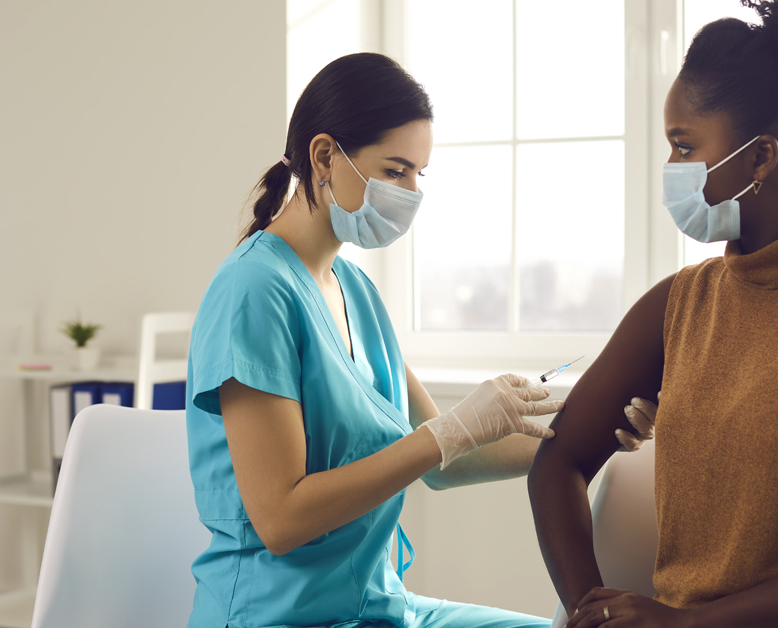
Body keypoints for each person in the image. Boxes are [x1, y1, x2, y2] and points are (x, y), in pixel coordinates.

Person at [185, 52, 648, 628]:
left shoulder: (354, 290)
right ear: (325, 156)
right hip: (279, 614)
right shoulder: (254, 293)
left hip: (378, 606)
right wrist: (449, 431)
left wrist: (598, 429)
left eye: (418, 176)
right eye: (394, 171)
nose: (410, 193)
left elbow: (448, 463)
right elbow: (280, 519)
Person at [528, 1, 778, 627]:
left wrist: (680, 624)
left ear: (759, 158)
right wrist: (594, 613)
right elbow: (557, 465)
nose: (671, 169)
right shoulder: (680, 303)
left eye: (685, 146)